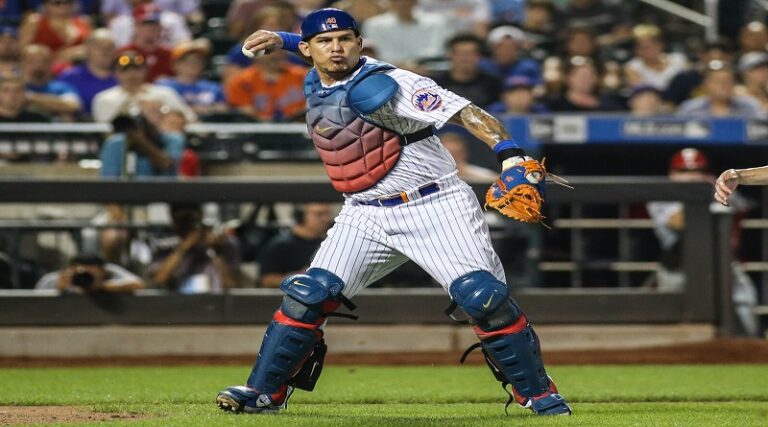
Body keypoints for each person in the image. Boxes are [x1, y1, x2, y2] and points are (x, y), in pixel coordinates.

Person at [215, 8, 571, 417]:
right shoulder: (314, 74)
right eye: (325, 41)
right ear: (309, 49)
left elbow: (467, 113)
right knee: (308, 296)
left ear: (360, 43)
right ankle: (263, 393)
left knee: (484, 299)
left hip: (434, 204)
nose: (336, 48)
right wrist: (283, 39)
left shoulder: (391, 82)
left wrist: (509, 155)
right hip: (364, 212)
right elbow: (317, 52)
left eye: (345, 39)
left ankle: (538, 394)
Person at [647, 149, 758, 336]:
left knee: (745, 309)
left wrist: (717, 187)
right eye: (683, 171)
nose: (692, 176)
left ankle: (747, 346)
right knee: (674, 321)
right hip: (678, 267)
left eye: (698, 170)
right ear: (671, 174)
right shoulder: (661, 195)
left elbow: (744, 206)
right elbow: (678, 221)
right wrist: (705, 196)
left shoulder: (718, 188)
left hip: (722, 264)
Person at [148, 203, 241, 293]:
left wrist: (213, 251)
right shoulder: (163, 246)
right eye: (181, 217)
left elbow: (232, 285)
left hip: (213, 300)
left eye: (192, 216)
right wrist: (184, 246)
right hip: (179, 301)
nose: (187, 222)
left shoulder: (223, 244)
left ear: (201, 214)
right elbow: (158, 280)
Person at [91, 50, 196, 124]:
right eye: (125, 70)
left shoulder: (163, 93)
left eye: (137, 69)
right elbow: (103, 127)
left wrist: (162, 111)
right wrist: (127, 106)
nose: (132, 74)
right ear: (115, 73)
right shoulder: (105, 98)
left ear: (145, 71)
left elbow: (190, 118)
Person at [258, 203, 334, 288]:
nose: (326, 219)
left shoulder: (329, 244)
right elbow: (266, 280)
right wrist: (300, 277)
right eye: (319, 214)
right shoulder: (280, 245)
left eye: (327, 214)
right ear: (300, 216)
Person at [56, 28, 118, 119]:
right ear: (87, 50)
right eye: (99, 47)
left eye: (110, 47)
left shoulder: (124, 78)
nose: (105, 51)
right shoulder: (70, 77)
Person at [433, 33, 503, 109]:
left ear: (479, 56)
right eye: (460, 54)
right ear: (450, 55)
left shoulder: (493, 84)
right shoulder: (435, 83)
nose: (465, 59)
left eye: (470, 54)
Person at [677, 60, 766, 118]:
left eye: (727, 80)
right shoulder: (690, 109)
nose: (723, 85)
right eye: (717, 81)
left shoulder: (749, 106)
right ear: (705, 85)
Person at [20, 44, 82, 121]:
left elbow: (73, 105)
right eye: (31, 61)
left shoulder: (61, 87)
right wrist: (54, 105)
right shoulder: (14, 87)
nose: (38, 66)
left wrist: (29, 98)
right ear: (22, 64)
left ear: (51, 64)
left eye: (43, 61)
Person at [34, 253, 145, 294]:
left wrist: (100, 287)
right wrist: (60, 290)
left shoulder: (110, 271)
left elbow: (138, 284)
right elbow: (36, 304)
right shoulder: (55, 279)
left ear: (102, 271)